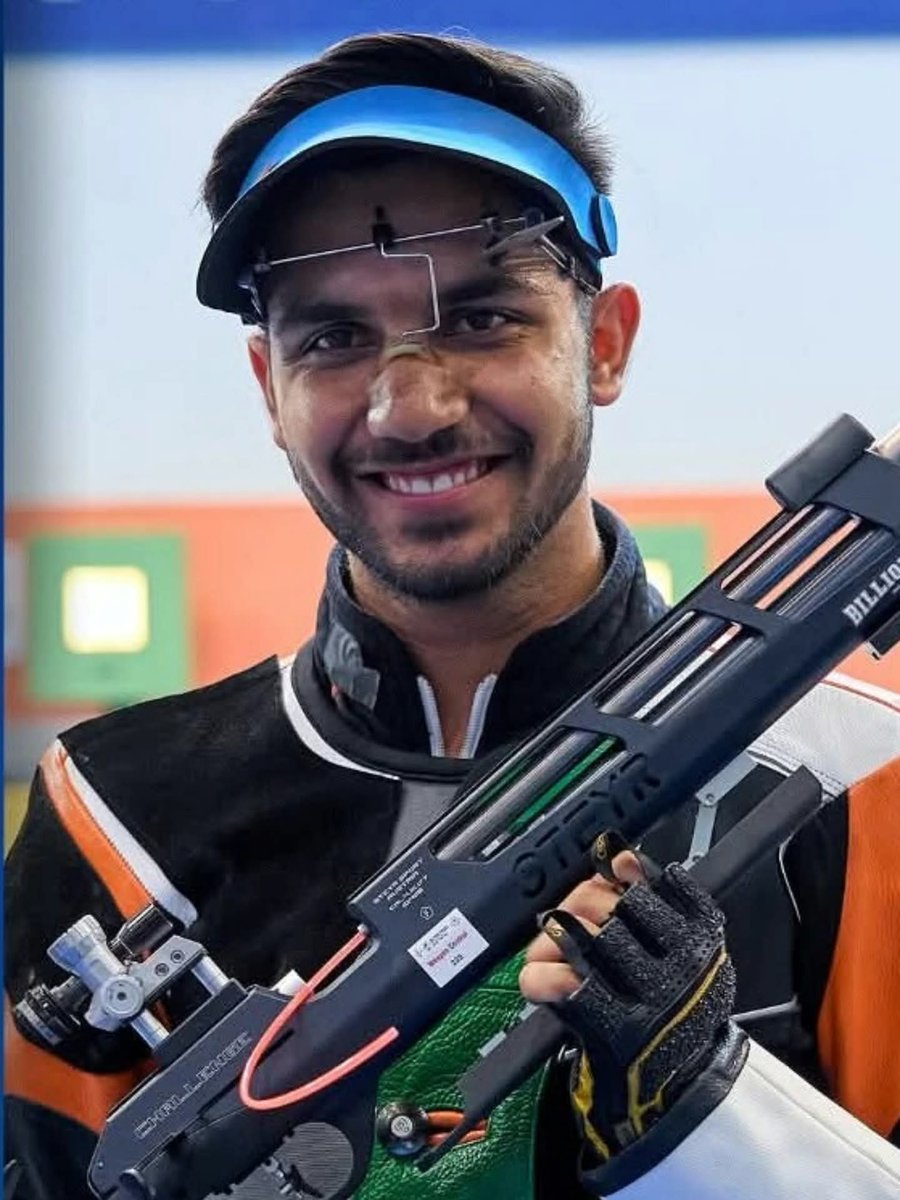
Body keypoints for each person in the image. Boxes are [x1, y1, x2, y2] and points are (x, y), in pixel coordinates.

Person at [5, 31, 900, 1200]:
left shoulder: (863, 780)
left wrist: (710, 1122)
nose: (410, 406)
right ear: (269, 390)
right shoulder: (110, 816)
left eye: (482, 319)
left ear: (607, 342)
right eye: (332, 338)